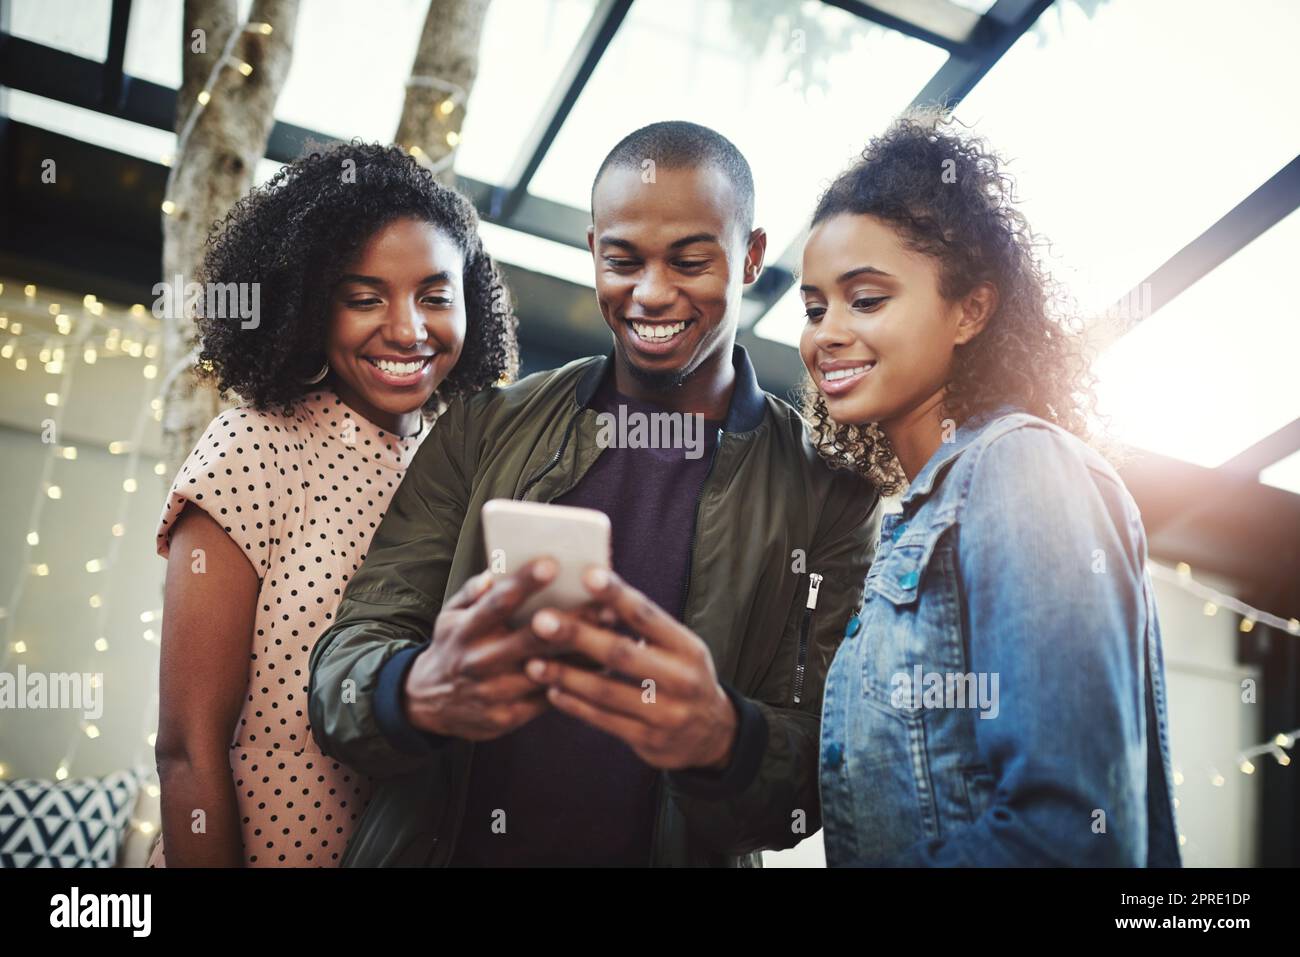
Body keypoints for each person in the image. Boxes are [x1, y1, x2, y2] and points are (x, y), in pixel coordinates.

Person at [308, 121, 880, 867]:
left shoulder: (830, 492)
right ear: (593, 255)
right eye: (623, 261)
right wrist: (415, 687)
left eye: (689, 260)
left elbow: (819, 769)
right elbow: (341, 667)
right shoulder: (482, 428)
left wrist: (724, 735)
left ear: (751, 257)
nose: (651, 292)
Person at [799, 110, 1180, 866]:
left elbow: (1070, 834)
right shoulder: (914, 519)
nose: (826, 333)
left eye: (866, 299)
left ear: (971, 309)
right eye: (814, 307)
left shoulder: (1022, 469)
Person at [150, 142, 518, 866]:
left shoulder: (463, 473)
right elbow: (187, 749)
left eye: (435, 296)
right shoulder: (253, 447)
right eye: (365, 297)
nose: (409, 328)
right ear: (311, 306)